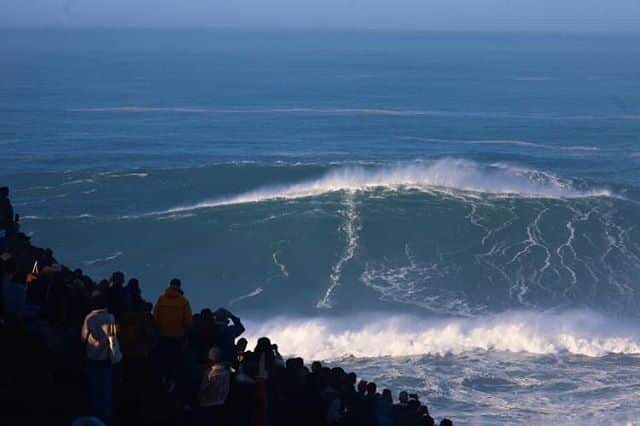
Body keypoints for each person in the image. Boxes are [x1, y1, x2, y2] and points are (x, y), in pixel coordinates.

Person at [81, 291, 117, 423]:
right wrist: (114, 355)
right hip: (105, 357)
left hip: (91, 356)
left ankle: (95, 414)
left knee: (94, 386)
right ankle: (106, 416)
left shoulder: (88, 318)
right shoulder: (110, 317)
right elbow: (112, 338)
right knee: (106, 387)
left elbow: (83, 337)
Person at [153, 278, 193, 392]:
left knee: (163, 361)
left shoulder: (161, 299)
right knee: (174, 362)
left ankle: (161, 381)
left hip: (161, 337)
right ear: (179, 287)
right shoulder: (184, 301)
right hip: (177, 338)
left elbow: (154, 317)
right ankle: (171, 384)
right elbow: (188, 322)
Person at [198, 346, 231, 426]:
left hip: (207, 405)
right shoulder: (226, 372)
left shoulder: (209, 373)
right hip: (221, 404)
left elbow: (203, 389)